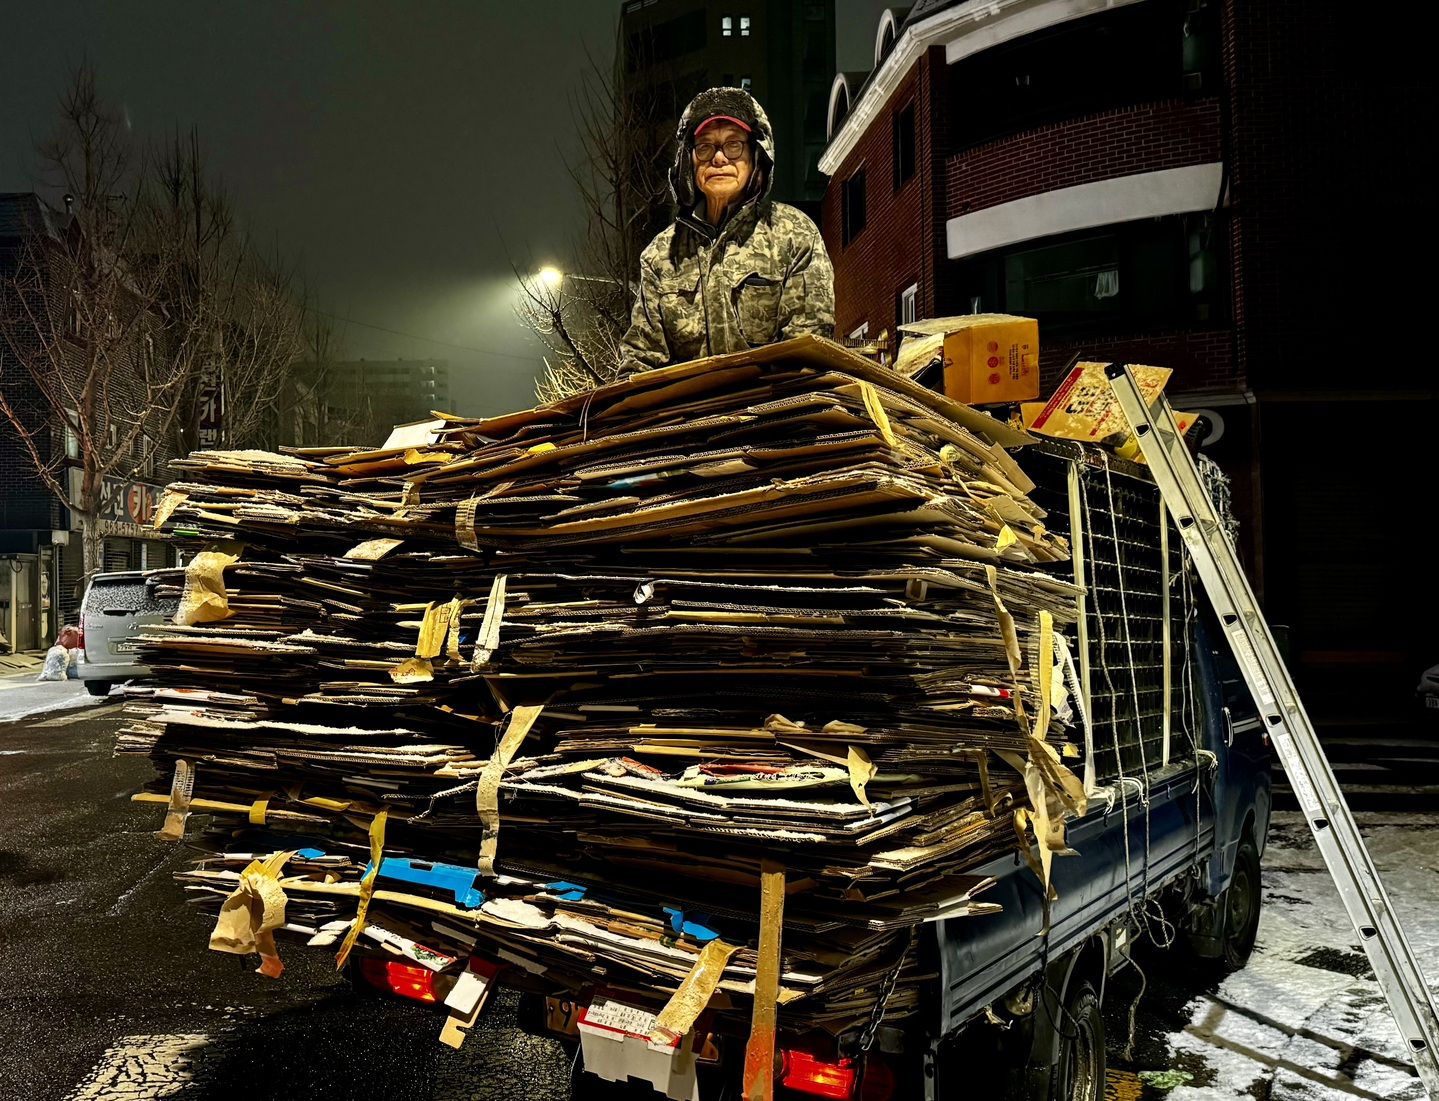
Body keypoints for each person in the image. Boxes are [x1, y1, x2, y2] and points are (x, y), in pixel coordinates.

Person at [619, 88, 834, 373]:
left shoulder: (794, 235)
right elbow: (640, 360)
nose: (718, 159)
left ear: (756, 154)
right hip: (688, 415)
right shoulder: (661, 256)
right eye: (705, 147)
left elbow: (809, 347)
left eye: (733, 145)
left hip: (777, 412)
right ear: (688, 160)